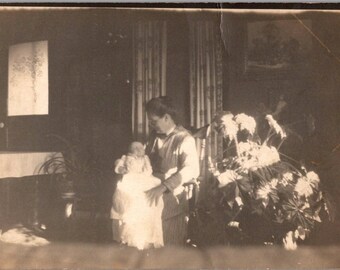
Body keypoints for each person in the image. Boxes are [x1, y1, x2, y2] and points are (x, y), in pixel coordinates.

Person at [144, 96, 200, 246]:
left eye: (153, 121)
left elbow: (191, 169)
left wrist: (162, 187)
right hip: (151, 196)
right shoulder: (153, 137)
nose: (150, 124)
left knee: (168, 249)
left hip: (171, 200)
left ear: (166, 117)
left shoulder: (184, 139)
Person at [110, 141, 164, 250]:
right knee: (127, 201)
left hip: (143, 179)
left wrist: (143, 173)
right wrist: (122, 169)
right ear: (135, 150)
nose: (142, 151)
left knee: (146, 201)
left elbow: (149, 170)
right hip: (129, 179)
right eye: (140, 149)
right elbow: (118, 167)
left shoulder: (145, 159)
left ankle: (145, 237)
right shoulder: (125, 158)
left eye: (142, 149)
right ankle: (127, 236)